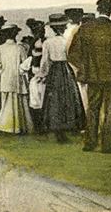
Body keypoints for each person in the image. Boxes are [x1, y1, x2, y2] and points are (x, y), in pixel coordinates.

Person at [68, 0, 111, 153]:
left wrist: (85, 68)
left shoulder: (86, 28)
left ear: (98, 10)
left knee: (92, 109)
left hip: (92, 77)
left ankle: (90, 143)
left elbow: (73, 54)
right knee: (110, 111)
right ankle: (108, 146)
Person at [37, 14, 84, 143]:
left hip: (55, 71)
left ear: (52, 28)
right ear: (64, 28)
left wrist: (42, 75)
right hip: (67, 70)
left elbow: (45, 61)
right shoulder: (68, 40)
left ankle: (58, 130)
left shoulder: (48, 42)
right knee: (69, 98)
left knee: (55, 100)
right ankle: (71, 126)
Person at [0, 23, 33, 135]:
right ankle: (19, 126)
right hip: (17, 78)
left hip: (5, 77)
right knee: (19, 102)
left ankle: (6, 126)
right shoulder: (20, 48)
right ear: (15, 34)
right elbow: (25, 64)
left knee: (6, 102)